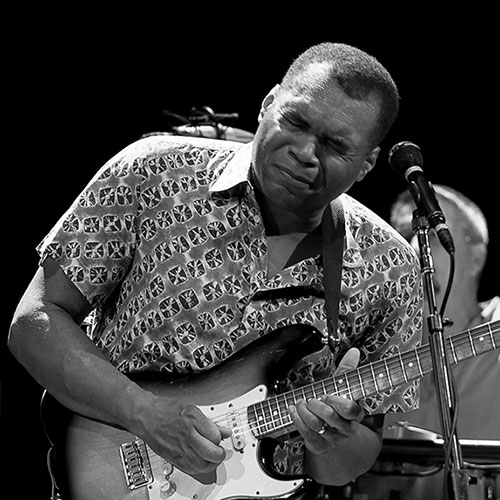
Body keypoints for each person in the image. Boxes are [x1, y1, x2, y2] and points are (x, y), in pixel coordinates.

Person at [8, 42, 423, 499]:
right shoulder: (155, 173)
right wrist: (143, 413)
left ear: (366, 163)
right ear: (268, 104)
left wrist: (334, 439)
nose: (306, 151)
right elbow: (34, 323)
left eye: (335, 145)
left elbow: (349, 463)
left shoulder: (389, 268)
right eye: (297, 121)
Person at [352, 184, 499, 499]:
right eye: (405, 234)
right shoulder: (377, 346)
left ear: (475, 256)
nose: (414, 250)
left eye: (430, 235)